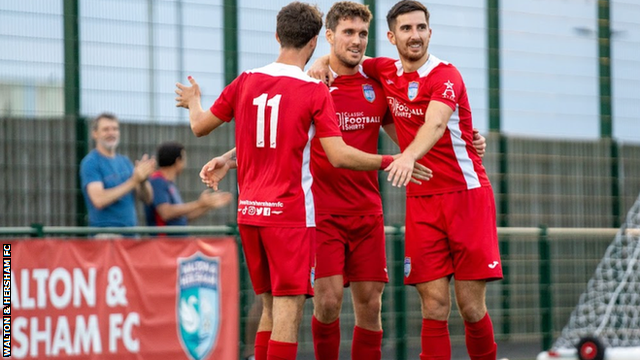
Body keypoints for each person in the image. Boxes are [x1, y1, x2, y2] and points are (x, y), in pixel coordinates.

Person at [173, 3, 427, 360]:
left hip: (330, 212)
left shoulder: (251, 79)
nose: (356, 41)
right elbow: (322, 147)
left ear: (278, 36)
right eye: (348, 33)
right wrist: (392, 162)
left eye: (362, 34)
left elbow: (263, 133)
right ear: (323, 39)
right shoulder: (314, 87)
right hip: (307, 214)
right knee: (313, 305)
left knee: (356, 306)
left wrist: (452, 138)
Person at [361, 2, 502, 359]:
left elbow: (436, 124)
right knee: (434, 306)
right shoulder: (383, 70)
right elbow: (348, 61)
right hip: (422, 202)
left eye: (421, 28)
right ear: (392, 37)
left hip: (466, 196)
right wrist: (320, 63)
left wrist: (407, 155)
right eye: (406, 29)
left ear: (430, 32)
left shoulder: (446, 75)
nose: (415, 35)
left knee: (471, 307)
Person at [80, 112, 156, 230]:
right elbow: (99, 200)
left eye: (115, 129)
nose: (111, 133)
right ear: (95, 133)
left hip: (130, 234)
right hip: (105, 236)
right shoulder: (91, 163)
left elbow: (148, 199)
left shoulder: (125, 161)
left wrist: (143, 180)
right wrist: (133, 181)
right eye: (106, 129)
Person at [144, 141, 231, 228]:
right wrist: (199, 204)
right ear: (178, 161)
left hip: (176, 240)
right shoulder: (157, 181)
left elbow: (183, 218)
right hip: (164, 240)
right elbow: (166, 213)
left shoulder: (168, 183)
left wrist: (207, 205)